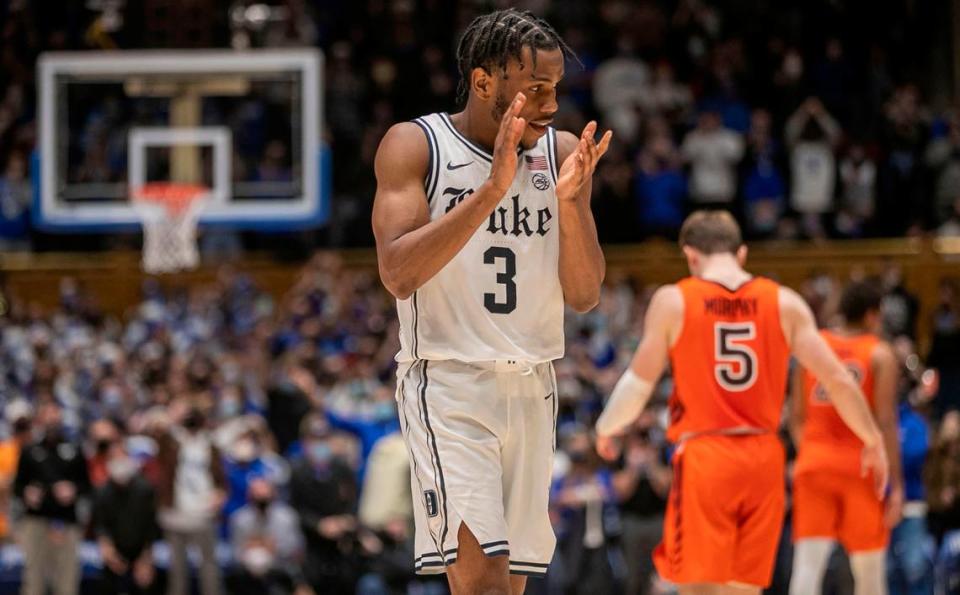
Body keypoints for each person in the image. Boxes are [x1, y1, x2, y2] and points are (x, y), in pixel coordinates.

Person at [371, 8, 610, 595]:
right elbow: (398, 274)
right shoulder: (415, 144)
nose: (551, 104)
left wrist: (574, 205)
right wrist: (491, 191)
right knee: (482, 584)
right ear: (483, 83)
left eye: (556, 87)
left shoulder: (556, 155)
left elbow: (583, 295)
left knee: (507, 588)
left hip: (533, 384)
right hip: (451, 385)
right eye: (536, 89)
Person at [593, 211, 888, 595]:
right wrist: (873, 439)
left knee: (698, 587)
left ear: (691, 256)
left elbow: (637, 384)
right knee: (743, 588)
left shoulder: (674, 299)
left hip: (706, 454)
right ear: (742, 253)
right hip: (763, 456)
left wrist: (606, 428)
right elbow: (838, 381)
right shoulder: (785, 303)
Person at [787, 279, 903, 595]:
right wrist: (896, 484)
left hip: (814, 463)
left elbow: (796, 416)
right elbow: (886, 422)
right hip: (862, 466)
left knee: (808, 567)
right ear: (872, 315)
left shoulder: (813, 347)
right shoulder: (879, 354)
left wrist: (812, 450)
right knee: (869, 570)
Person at [14, 402, 92, 595]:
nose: (51, 420)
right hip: (36, 520)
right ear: (40, 421)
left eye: (55, 416)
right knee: (33, 579)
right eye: (47, 416)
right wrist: (27, 493)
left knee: (66, 580)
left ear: (61, 419)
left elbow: (87, 486)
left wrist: (72, 489)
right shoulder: (30, 451)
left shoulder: (74, 449)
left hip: (66, 522)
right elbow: (17, 486)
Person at [93, 441, 161, 595]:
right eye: (114, 458)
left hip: (140, 549)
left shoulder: (145, 489)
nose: (119, 463)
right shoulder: (102, 491)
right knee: (107, 584)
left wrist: (145, 560)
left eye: (122, 457)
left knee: (146, 584)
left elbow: (151, 527)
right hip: (114, 549)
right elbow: (100, 525)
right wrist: (109, 552)